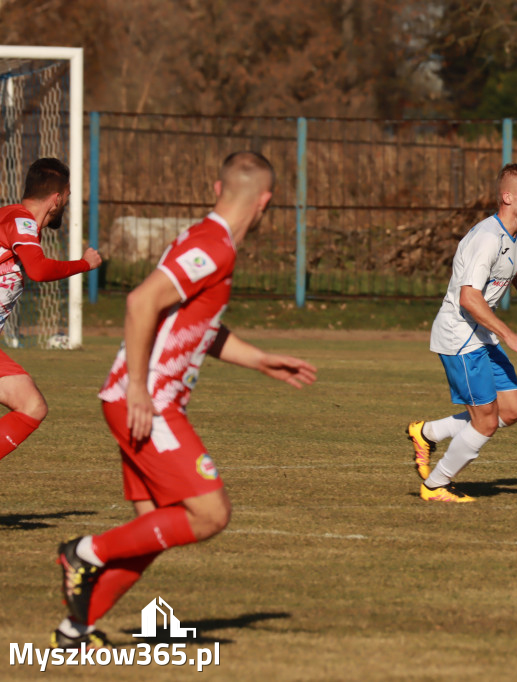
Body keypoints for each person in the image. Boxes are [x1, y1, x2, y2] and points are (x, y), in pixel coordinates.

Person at [53, 152, 317, 649]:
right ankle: (84, 552)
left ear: (217, 186)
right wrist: (137, 386)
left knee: (155, 527)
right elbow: (141, 302)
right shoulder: (213, 246)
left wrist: (259, 359)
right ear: (266, 201)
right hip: (147, 401)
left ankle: (75, 628)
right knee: (210, 513)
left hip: (136, 397)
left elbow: (195, 325)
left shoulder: (208, 241)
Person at [406, 163, 517, 502]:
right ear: (508, 197)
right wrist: (512, 337)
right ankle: (435, 485)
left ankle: (426, 433)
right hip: (459, 335)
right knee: (485, 422)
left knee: (512, 410)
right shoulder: (487, 238)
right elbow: (469, 297)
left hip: (483, 334)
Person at [0, 158, 102, 463]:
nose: (66, 203)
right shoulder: (21, 221)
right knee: (31, 406)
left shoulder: (16, 222)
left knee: (32, 406)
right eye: (68, 197)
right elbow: (39, 270)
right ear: (56, 199)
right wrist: (85, 264)